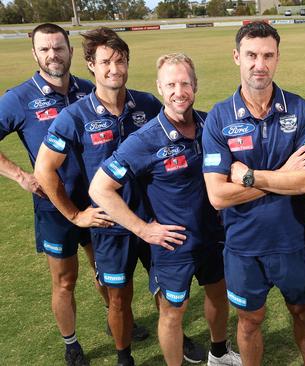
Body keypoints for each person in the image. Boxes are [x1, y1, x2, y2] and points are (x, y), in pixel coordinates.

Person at [89, 53, 241, 366]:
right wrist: (143, 229)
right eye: (171, 84)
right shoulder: (144, 139)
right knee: (174, 312)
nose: (179, 90)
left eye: (185, 83)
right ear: (159, 88)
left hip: (215, 235)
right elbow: (99, 188)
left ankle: (219, 353)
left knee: (217, 294)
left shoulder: (211, 124)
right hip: (173, 245)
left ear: (195, 85)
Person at [34, 27, 161, 366]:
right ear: (91, 65)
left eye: (120, 61)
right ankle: (124, 357)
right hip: (110, 227)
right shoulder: (74, 116)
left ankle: (177, 339)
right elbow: (44, 169)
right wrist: (76, 216)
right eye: (105, 62)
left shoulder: (147, 104)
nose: (114, 69)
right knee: (119, 299)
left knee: (167, 293)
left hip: (153, 219)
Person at [202, 21, 305, 366]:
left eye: (268, 55)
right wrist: (286, 175)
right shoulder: (219, 118)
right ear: (236, 57)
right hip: (243, 246)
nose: (260, 64)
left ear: (277, 58)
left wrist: (251, 177)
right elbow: (218, 196)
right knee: (250, 320)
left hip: (293, 240)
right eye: (252, 55)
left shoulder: (300, 110)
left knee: (302, 311)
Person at [0, 22, 106, 366]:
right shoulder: (18, 98)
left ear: (71, 51)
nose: (52, 55)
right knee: (64, 280)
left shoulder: (89, 90)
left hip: (94, 201)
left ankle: (116, 317)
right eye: (45, 49)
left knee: (104, 267)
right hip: (53, 206)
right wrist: (19, 175)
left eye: (58, 47)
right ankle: (71, 343)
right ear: (35, 53)